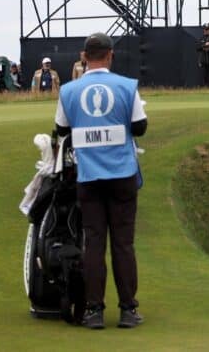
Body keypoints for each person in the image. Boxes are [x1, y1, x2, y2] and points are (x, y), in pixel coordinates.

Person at [54, 32, 147, 329]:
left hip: (89, 176)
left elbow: (60, 129)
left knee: (94, 243)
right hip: (122, 175)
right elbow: (140, 127)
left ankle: (94, 311)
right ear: (110, 55)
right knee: (123, 244)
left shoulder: (69, 90)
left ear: (84, 56)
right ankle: (128, 310)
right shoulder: (127, 86)